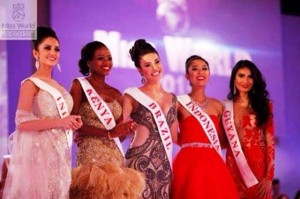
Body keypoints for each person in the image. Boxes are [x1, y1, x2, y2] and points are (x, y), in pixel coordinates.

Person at [3, 26, 83, 198]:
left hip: (60, 154)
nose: (53, 52)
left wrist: (72, 122)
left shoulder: (60, 87)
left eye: (56, 49)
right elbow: (22, 123)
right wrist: (60, 122)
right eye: (47, 48)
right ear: (35, 53)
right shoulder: (30, 84)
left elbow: (62, 120)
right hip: (40, 157)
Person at [69, 41, 145, 199]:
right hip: (91, 156)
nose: (106, 63)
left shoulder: (116, 93)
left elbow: (119, 134)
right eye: (101, 58)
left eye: (109, 58)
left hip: (114, 156)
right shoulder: (80, 85)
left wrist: (127, 130)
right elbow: (73, 122)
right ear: (89, 62)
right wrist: (108, 133)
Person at [171, 55, 239, 199]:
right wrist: (191, 144)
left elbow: (221, 140)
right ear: (187, 75)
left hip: (213, 163)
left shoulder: (218, 105)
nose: (200, 72)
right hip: (188, 163)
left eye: (204, 69)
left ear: (209, 73)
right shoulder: (178, 102)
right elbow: (173, 136)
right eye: (194, 69)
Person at [122, 39, 178, 199]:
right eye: (147, 65)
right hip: (138, 163)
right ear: (140, 70)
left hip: (164, 166)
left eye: (157, 62)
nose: (155, 68)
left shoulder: (173, 99)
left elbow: (175, 138)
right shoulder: (131, 95)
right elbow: (119, 132)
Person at [222, 59, 275, 199]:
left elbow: (270, 142)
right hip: (233, 168)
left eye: (250, 76)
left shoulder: (264, 105)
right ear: (234, 78)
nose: (245, 81)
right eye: (241, 75)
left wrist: (269, 177)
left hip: (257, 170)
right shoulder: (224, 107)